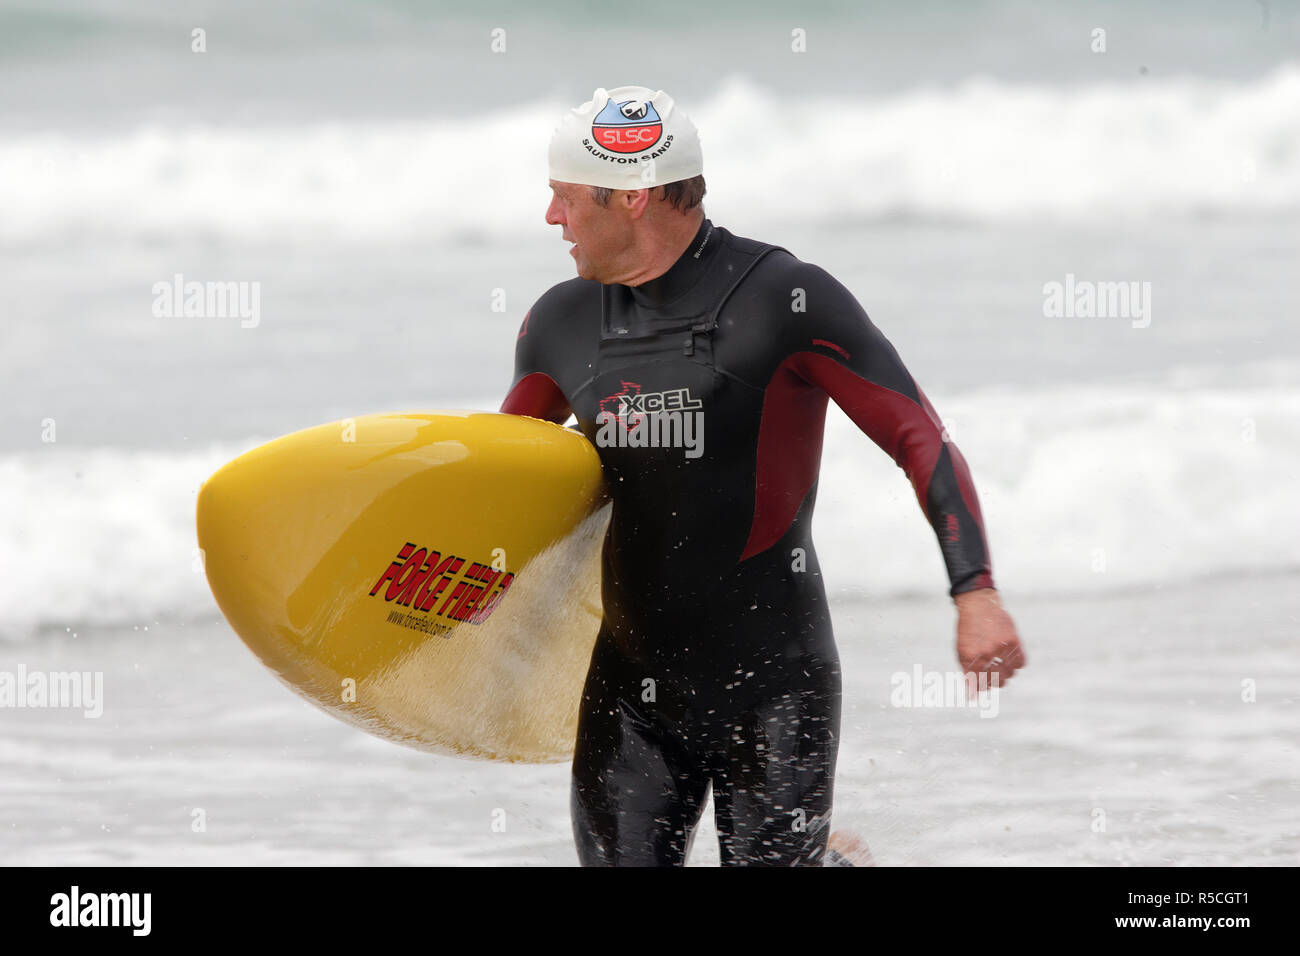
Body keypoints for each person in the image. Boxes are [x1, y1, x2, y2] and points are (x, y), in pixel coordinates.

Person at [500, 86, 1026, 866]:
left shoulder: (782, 299)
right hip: (631, 688)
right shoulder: (561, 322)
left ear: (635, 199)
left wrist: (974, 590)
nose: (552, 219)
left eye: (566, 198)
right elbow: (508, 478)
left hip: (773, 683)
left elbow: (916, 433)